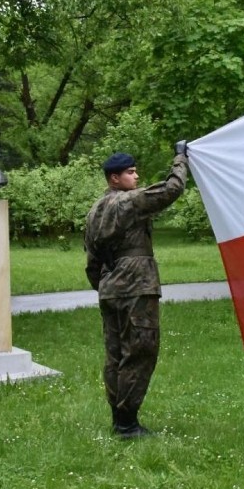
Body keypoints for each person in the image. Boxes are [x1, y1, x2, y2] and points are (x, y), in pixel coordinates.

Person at [84, 143, 189, 439]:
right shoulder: (127, 202)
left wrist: (106, 285)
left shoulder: (94, 211)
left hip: (110, 288)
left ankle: (119, 418)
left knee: (115, 355)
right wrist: (180, 160)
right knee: (140, 352)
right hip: (136, 287)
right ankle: (128, 423)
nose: (137, 176)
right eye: (130, 172)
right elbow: (170, 190)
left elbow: (91, 260)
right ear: (114, 179)